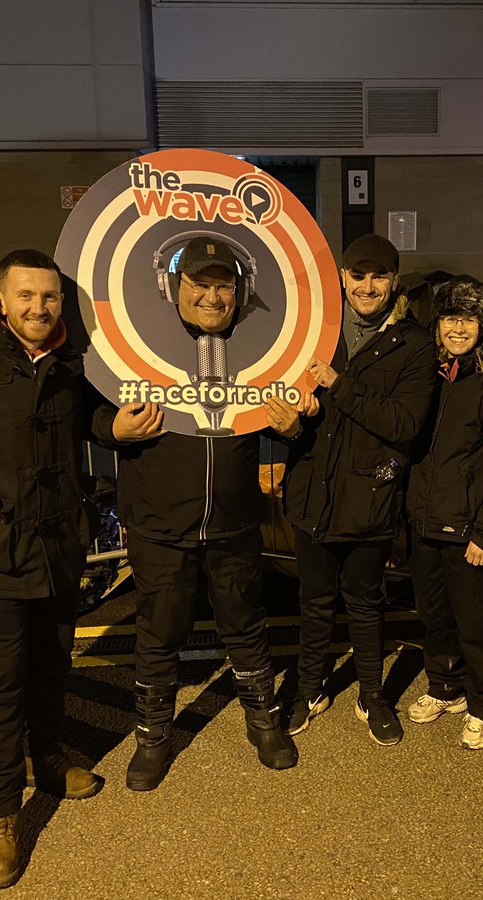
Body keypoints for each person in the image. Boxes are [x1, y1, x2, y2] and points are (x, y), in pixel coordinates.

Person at [0, 249, 156, 888]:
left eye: (49, 297)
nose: (39, 307)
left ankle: (47, 756)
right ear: (0, 300)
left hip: (60, 545)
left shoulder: (71, 360)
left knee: (52, 664)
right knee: (1, 688)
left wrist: (115, 427)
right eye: (26, 295)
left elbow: (89, 417)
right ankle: (1, 814)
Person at [119, 235, 297, 792]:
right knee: (158, 633)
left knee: (246, 624)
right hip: (159, 522)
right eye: (199, 284)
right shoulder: (137, 347)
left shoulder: (262, 350)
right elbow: (90, 412)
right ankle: (153, 736)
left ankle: (263, 721)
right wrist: (110, 428)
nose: (212, 297)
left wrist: (295, 427)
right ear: (175, 287)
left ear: (239, 292)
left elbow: (294, 416)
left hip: (233, 519)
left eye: (224, 286)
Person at [268, 234, 435, 746]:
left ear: (394, 281)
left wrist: (339, 385)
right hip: (311, 494)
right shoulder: (315, 331)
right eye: (358, 275)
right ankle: (310, 689)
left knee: (365, 602)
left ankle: (372, 695)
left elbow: (404, 423)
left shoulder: (415, 343)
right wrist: (294, 426)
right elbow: (292, 409)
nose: (367, 286)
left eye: (378, 276)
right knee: (314, 601)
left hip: (370, 499)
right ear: (341, 278)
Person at [403, 277, 483, 750]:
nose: (458, 329)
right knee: (434, 618)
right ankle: (444, 686)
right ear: (437, 324)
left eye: (468, 319)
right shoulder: (426, 379)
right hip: (425, 525)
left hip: (470, 533)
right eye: (450, 318)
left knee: (479, 626)